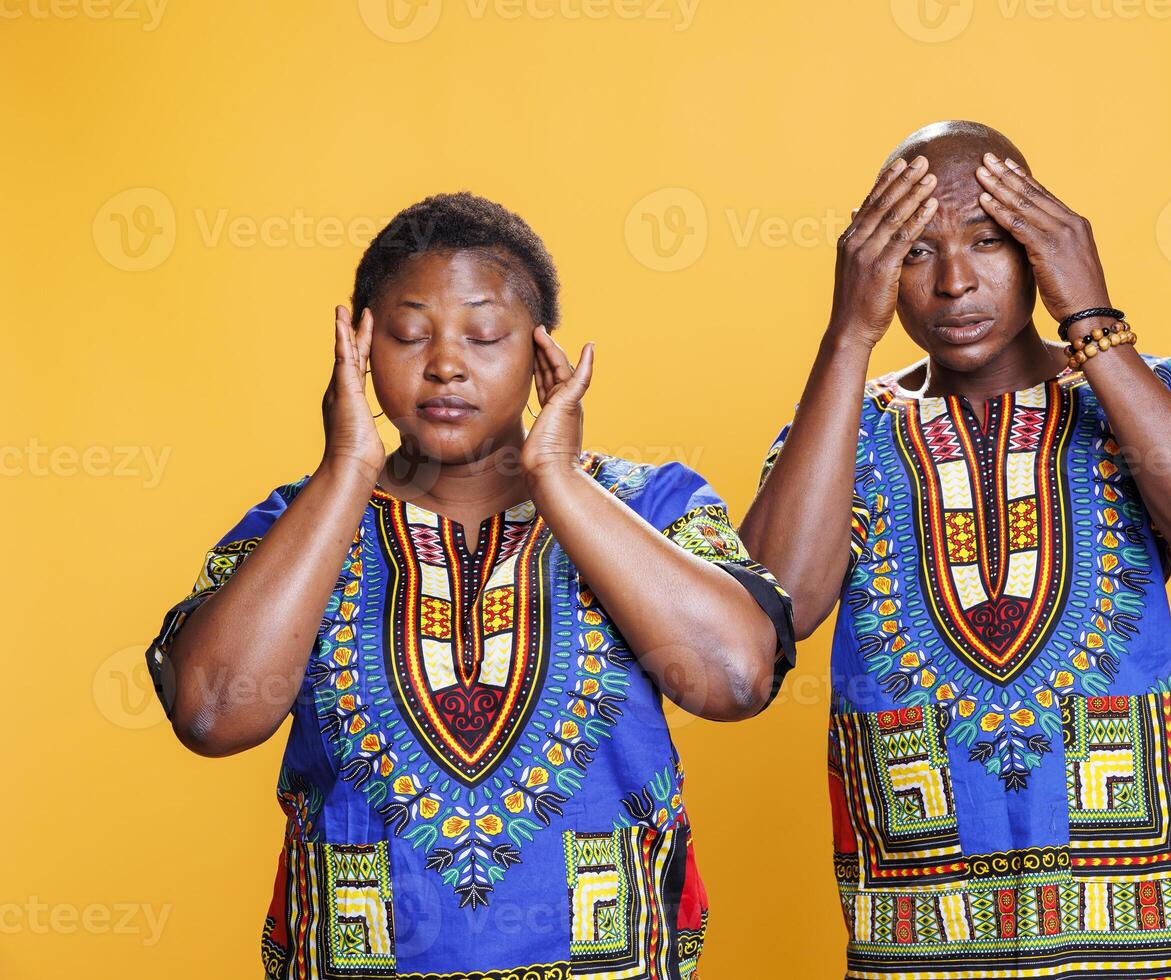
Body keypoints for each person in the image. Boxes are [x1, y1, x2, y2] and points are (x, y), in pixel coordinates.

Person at [144, 192, 796, 979]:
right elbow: (213, 714)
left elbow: (735, 678)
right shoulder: (298, 525)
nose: (445, 363)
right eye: (408, 335)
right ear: (357, 348)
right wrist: (347, 470)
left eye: (484, 336)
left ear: (538, 350)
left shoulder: (649, 507)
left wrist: (557, 479)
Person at [741, 121, 1171, 979]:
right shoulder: (837, 433)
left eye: (989, 241)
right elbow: (760, 619)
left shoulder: (1157, 397)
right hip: (921, 934)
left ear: (1045, 250)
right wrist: (846, 339)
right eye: (914, 252)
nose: (955, 282)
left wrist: (1092, 320)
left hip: (1142, 929)